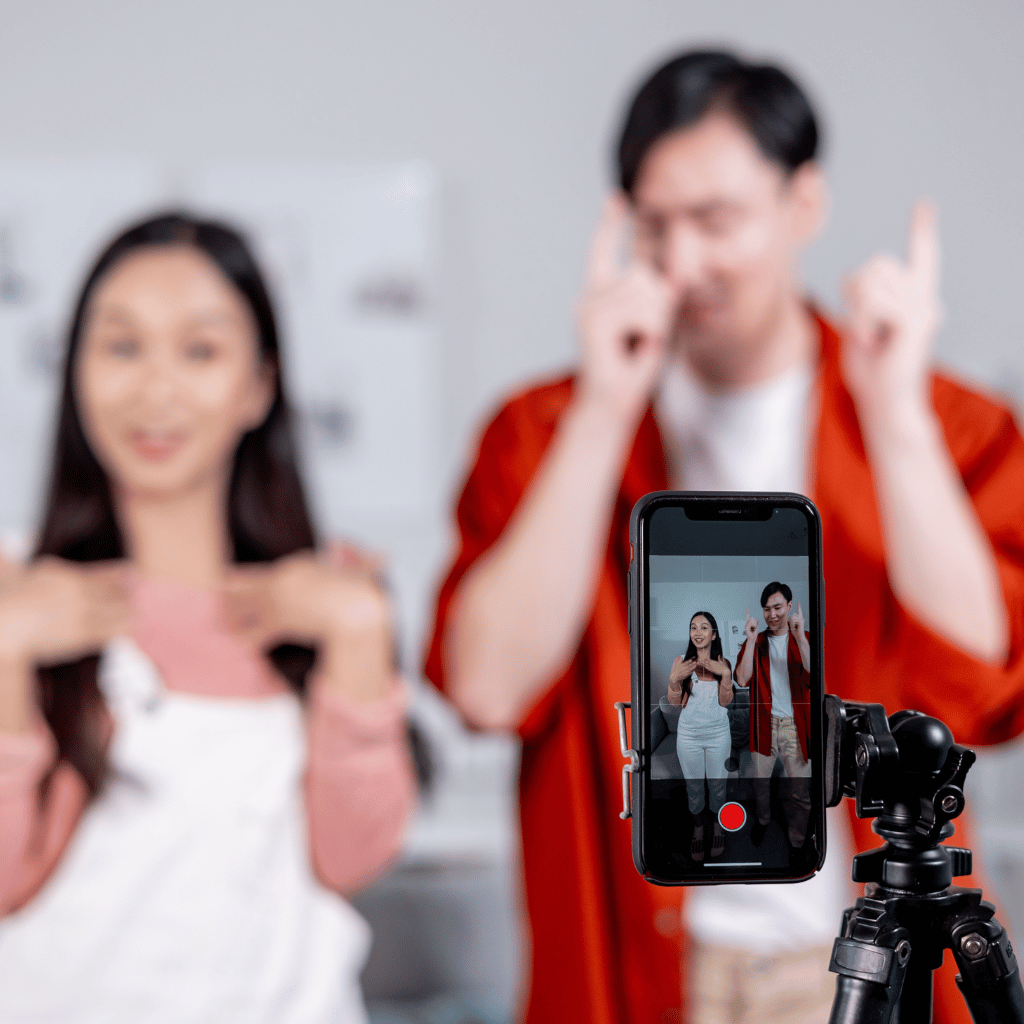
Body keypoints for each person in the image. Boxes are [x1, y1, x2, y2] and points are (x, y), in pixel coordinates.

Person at [424, 49, 1024, 1024]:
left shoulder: (942, 422)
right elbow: (487, 689)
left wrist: (894, 416)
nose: (682, 261)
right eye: (653, 225)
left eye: (716, 220)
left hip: (855, 970)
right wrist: (602, 411)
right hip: (637, 973)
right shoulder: (544, 430)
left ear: (803, 203)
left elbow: (985, 693)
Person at [0, 213, 415, 1022]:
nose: (156, 389)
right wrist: (6, 651)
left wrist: (361, 634)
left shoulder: (328, 601)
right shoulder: (14, 594)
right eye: (122, 347)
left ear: (259, 385)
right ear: (76, 372)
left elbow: (352, 856)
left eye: (200, 351)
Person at [735, 583, 812, 850]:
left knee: (800, 791)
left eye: (778, 607)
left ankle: (798, 840)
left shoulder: (805, 639)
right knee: (759, 785)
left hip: (794, 726)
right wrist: (751, 639)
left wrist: (800, 637)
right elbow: (743, 679)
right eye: (767, 609)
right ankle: (764, 823)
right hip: (764, 725)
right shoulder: (755, 642)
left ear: (789, 607)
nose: (772, 614)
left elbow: (815, 676)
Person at [665, 611, 733, 861]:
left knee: (717, 787)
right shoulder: (681, 661)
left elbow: (726, 702)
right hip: (689, 736)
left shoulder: (723, 663)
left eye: (704, 627)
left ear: (713, 634)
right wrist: (674, 680)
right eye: (694, 627)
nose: (698, 632)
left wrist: (725, 675)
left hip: (718, 735)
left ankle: (716, 827)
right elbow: (674, 704)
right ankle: (698, 828)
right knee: (694, 788)